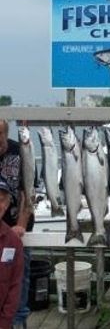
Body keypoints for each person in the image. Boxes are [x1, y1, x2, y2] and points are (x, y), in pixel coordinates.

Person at [0, 120, 34, 329]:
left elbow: (28, 191)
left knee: (19, 282)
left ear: (6, 133)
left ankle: (18, 323)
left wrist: (20, 225)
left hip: (16, 233)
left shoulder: (21, 150)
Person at [0, 176, 24, 329]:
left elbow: (15, 287)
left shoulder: (13, 242)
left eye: (2, 199)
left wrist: (4, 323)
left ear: (7, 204)